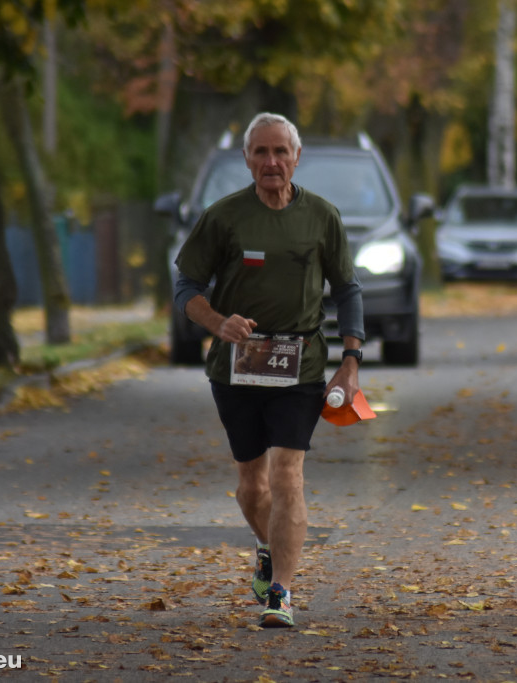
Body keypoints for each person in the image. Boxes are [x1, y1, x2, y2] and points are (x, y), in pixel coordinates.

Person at [174, 112, 365, 628]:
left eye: (280, 152)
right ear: (247, 159)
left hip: (298, 365)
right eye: (260, 152)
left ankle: (281, 591)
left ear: (297, 158)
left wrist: (350, 362)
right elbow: (186, 288)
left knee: (287, 474)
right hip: (234, 368)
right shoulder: (224, 217)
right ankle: (266, 547)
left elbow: (347, 289)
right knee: (252, 487)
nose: (271, 162)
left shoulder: (322, 217)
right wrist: (219, 322)